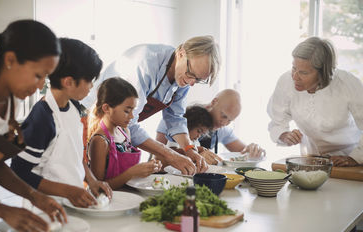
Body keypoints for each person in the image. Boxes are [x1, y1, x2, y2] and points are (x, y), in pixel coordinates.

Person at [0, 20, 67, 232]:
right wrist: (3, 210)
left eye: (45, 78)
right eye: (38, 75)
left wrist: (33, 196)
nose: (41, 86)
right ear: (10, 60)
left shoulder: (11, 103)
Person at [267, 36, 362, 232]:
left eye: (304, 72)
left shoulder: (348, 84)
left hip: (347, 159)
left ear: (324, 71)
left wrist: (354, 157)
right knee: (306, 220)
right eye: (293, 68)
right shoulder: (287, 82)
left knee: (344, 221)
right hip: (310, 157)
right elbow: (277, 119)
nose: (295, 76)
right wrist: (283, 134)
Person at [81, 36, 221, 175]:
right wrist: (170, 155)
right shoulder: (145, 63)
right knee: (92, 178)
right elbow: (129, 123)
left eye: (197, 80)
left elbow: (175, 118)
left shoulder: (184, 76)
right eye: (191, 74)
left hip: (119, 130)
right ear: (181, 53)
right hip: (91, 119)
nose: (191, 83)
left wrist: (189, 149)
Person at [11, 38, 112, 207]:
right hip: (44, 209)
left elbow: (73, 156)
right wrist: (68, 191)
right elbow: (19, 171)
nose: (91, 87)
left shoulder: (73, 107)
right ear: (69, 82)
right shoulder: (43, 117)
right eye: (89, 80)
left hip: (72, 203)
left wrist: (92, 181)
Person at [87, 77, 162, 190]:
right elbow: (98, 187)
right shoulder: (100, 141)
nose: (132, 116)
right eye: (127, 111)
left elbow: (127, 170)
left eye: (133, 110)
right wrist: (131, 173)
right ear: (106, 108)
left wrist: (146, 169)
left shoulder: (125, 132)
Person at [156, 89, 266, 165]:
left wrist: (253, 149)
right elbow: (158, 155)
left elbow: (243, 152)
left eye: (230, 121)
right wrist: (194, 153)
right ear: (214, 102)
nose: (224, 123)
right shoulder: (176, 118)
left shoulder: (222, 130)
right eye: (223, 116)